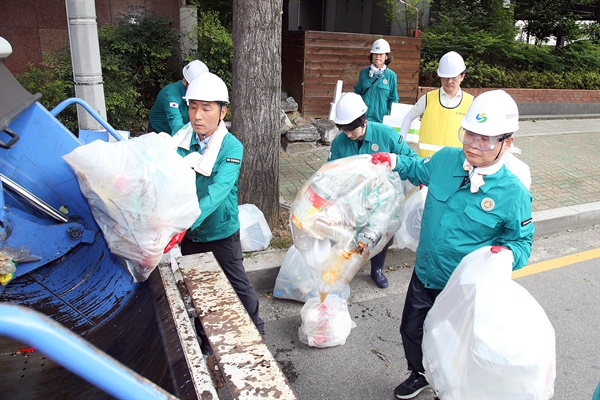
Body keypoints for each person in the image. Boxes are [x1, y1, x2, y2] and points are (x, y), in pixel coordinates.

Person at [372, 90, 534, 398]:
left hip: (464, 289)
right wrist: (393, 159)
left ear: (507, 143)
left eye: (485, 139)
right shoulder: (447, 159)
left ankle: (446, 389)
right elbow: (418, 168)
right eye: (469, 134)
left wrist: (507, 254)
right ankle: (419, 374)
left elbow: (521, 243)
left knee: (453, 345)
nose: (473, 145)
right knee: (411, 329)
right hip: (426, 274)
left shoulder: (513, 193)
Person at [172, 72, 264, 355]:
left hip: (220, 231)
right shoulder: (181, 139)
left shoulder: (231, 146)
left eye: (206, 108)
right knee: (199, 288)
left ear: (223, 111)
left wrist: (182, 220)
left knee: (238, 284)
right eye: (193, 106)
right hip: (189, 232)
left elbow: (217, 191)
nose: (197, 115)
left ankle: (256, 329)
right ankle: (206, 340)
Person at [329, 92, 418, 289]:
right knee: (352, 234)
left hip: (383, 199)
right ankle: (348, 269)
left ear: (364, 120)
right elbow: (332, 170)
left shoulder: (386, 135)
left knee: (383, 234)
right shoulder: (339, 142)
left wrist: (396, 166)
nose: (348, 134)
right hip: (354, 198)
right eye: (344, 130)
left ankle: (376, 269)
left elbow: (411, 159)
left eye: (352, 129)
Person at [399, 51, 474, 158]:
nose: (449, 81)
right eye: (445, 77)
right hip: (427, 162)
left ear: (462, 76)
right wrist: (400, 143)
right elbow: (408, 117)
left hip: (455, 163)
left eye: (454, 77)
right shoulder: (428, 98)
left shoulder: (470, 102)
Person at [147, 59, 209, 135]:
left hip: (181, 130)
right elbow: (177, 125)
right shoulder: (170, 94)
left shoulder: (195, 93)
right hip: (158, 133)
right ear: (185, 80)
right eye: (194, 86)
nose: (198, 91)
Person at [354, 38, 399, 123]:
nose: (377, 57)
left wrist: (389, 118)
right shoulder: (364, 73)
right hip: (363, 119)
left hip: (381, 120)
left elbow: (393, 99)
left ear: (386, 56)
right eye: (375, 54)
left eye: (381, 54)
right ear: (371, 56)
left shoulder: (391, 76)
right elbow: (357, 93)